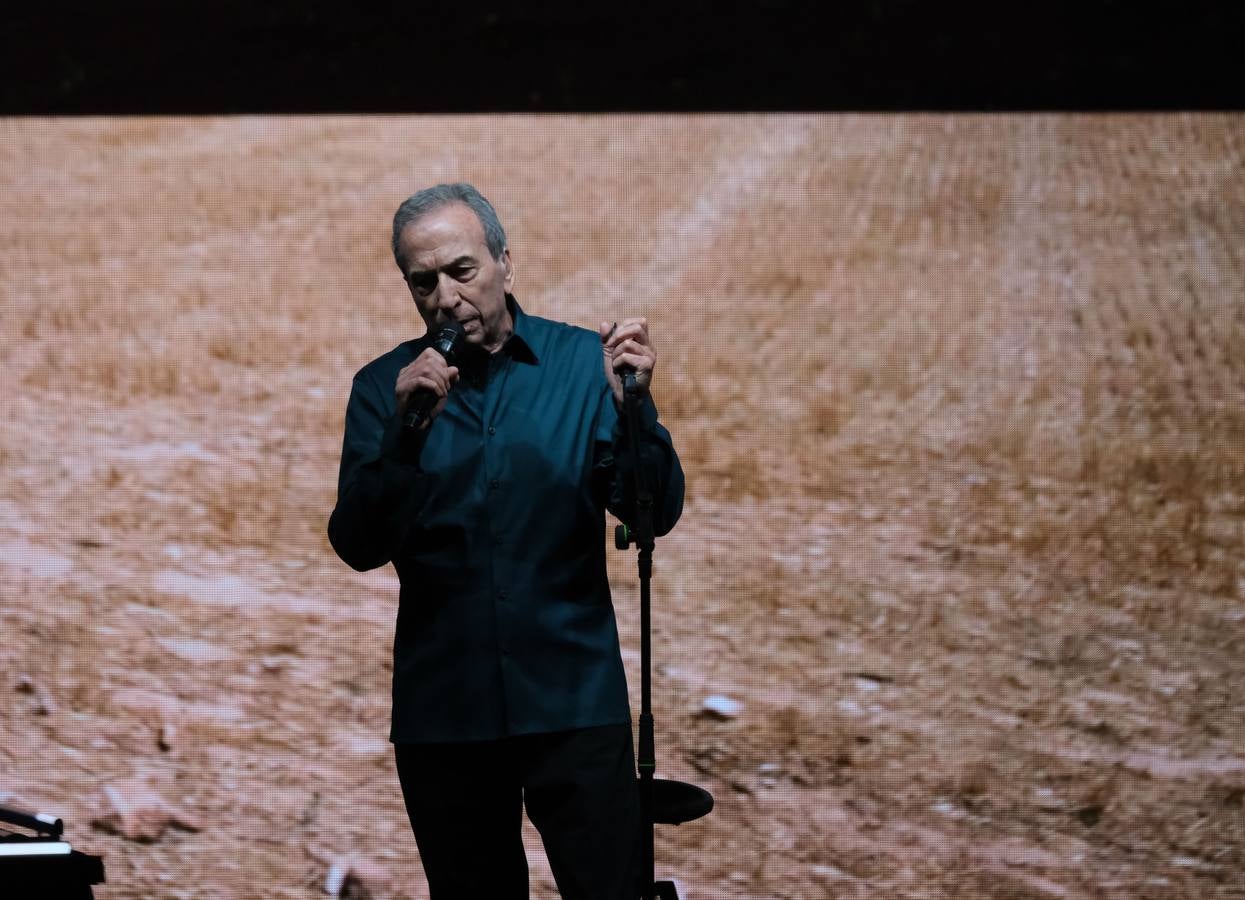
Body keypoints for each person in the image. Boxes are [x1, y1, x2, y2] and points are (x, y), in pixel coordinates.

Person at [327, 182, 684, 899]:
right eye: (421, 282)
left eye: (461, 271)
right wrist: (403, 438)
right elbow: (358, 544)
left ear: (504, 266)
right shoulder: (382, 390)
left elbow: (651, 514)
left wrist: (635, 413)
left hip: (573, 701)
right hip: (445, 715)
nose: (444, 297)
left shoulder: (585, 366)